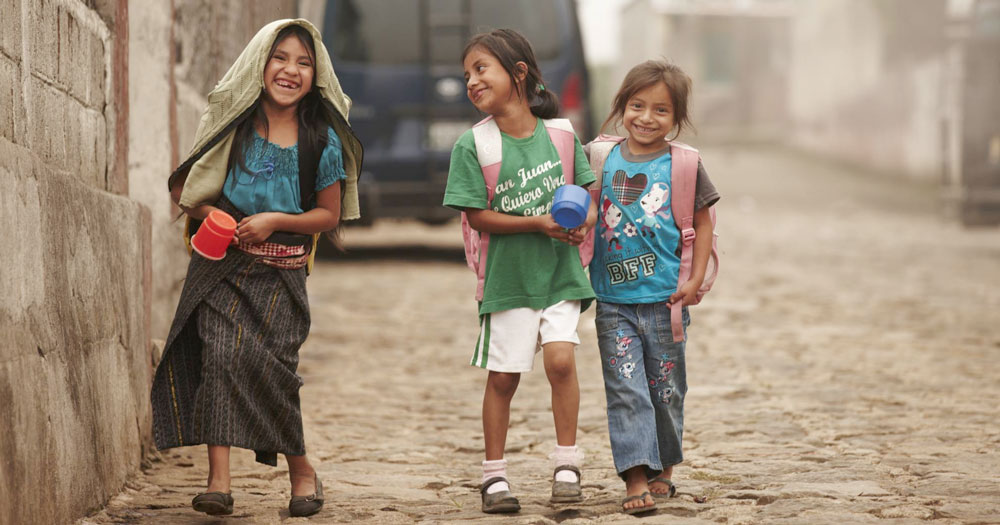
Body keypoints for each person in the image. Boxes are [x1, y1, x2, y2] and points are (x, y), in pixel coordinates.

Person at [150, 19, 364, 518]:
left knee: (274, 373)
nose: (291, 70)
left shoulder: (321, 140)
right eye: (280, 58)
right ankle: (218, 482)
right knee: (220, 357)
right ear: (259, 65)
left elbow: (328, 216)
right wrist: (216, 215)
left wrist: (274, 221)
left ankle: (302, 470)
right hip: (221, 268)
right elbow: (185, 191)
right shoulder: (232, 128)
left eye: (304, 63)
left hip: (283, 277)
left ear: (317, 75)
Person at [443, 29, 598, 514]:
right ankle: (493, 476)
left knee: (560, 362)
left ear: (519, 74)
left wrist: (579, 226)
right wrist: (537, 222)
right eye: (466, 73)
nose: (471, 81)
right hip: (509, 280)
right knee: (504, 378)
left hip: (560, 274)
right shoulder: (474, 145)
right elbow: (476, 216)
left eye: (480, 69)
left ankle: (567, 464)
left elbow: (588, 197)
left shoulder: (562, 133)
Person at [587, 60, 719, 515]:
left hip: (666, 301)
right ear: (621, 105)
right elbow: (580, 205)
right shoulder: (599, 158)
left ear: (677, 118)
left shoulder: (685, 163)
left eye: (660, 110)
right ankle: (636, 476)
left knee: (666, 389)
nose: (646, 118)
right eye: (636, 105)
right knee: (626, 389)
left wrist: (695, 278)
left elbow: (704, 221)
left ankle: (664, 465)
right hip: (613, 301)